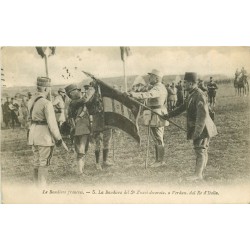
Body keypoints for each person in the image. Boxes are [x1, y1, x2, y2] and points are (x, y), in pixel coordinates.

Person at [166, 72, 218, 181]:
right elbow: (183, 107)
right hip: (201, 127)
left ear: (191, 83)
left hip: (203, 127)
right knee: (202, 150)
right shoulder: (191, 94)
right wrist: (168, 115)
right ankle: (200, 172)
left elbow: (202, 116)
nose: (183, 85)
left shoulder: (199, 95)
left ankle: (198, 175)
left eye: (185, 82)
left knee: (200, 150)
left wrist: (197, 132)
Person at [129, 69, 168, 167]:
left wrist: (133, 94)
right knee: (156, 138)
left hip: (157, 114)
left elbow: (148, 94)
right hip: (155, 113)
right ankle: (158, 160)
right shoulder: (157, 87)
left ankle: (160, 161)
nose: (149, 78)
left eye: (151, 76)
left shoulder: (158, 88)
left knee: (158, 138)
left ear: (156, 78)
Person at [28, 77, 62, 186]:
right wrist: (58, 138)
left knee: (36, 161)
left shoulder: (30, 101)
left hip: (33, 135)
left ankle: (35, 187)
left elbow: (29, 120)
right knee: (43, 163)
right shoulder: (46, 103)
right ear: (46, 89)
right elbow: (52, 124)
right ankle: (42, 188)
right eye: (49, 88)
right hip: (44, 136)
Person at [65, 83, 95, 175]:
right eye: (77, 90)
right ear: (71, 93)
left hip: (82, 128)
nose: (79, 91)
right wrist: (91, 89)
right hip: (80, 129)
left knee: (83, 150)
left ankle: (81, 170)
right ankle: (80, 172)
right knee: (81, 151)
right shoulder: (74, 102)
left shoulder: (77, 102)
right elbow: (86, 98)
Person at [84, 82, 113, 170]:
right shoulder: (91, 94)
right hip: (97, 121)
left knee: (107, 141)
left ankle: (105, 161)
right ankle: (97, 163)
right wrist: (91, 90)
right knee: (98, 143)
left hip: (107, 120)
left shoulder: (106, 94)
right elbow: (86, 102)